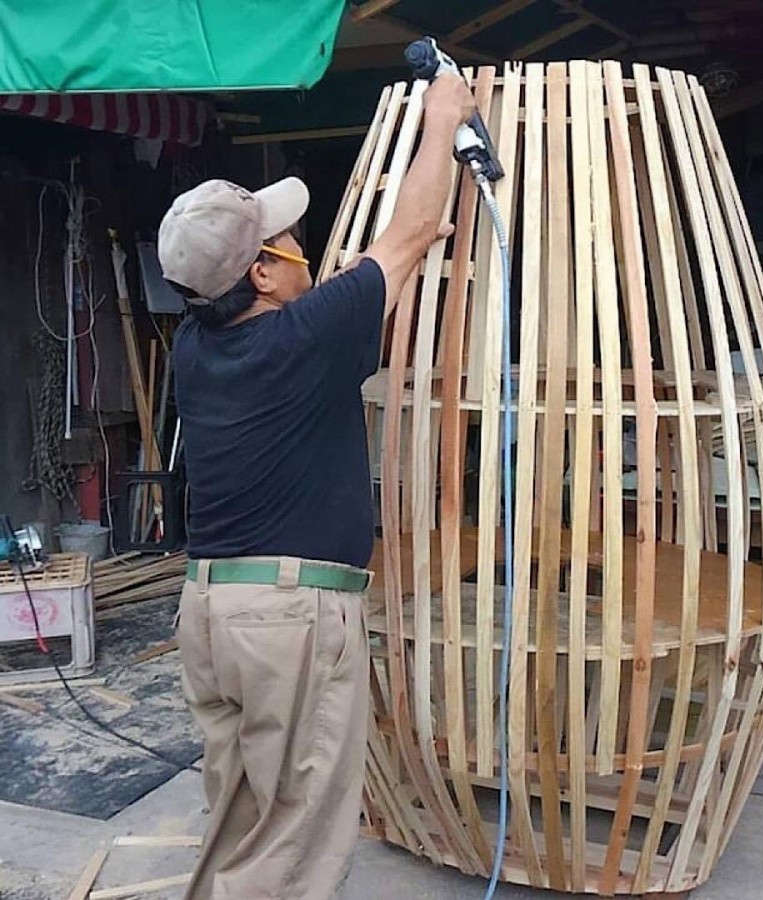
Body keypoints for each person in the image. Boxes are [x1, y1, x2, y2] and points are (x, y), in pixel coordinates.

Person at [157, 73, 475, 900]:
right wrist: (443, 119)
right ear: (261, 276)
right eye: (288, 243)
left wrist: (401, 251)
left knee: (241, 821)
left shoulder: (195, 348)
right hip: (287, 623)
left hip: (211, 613)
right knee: (294, 843)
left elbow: (393, 254)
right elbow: (401, 240)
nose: (307, 250)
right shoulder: (303, 337)